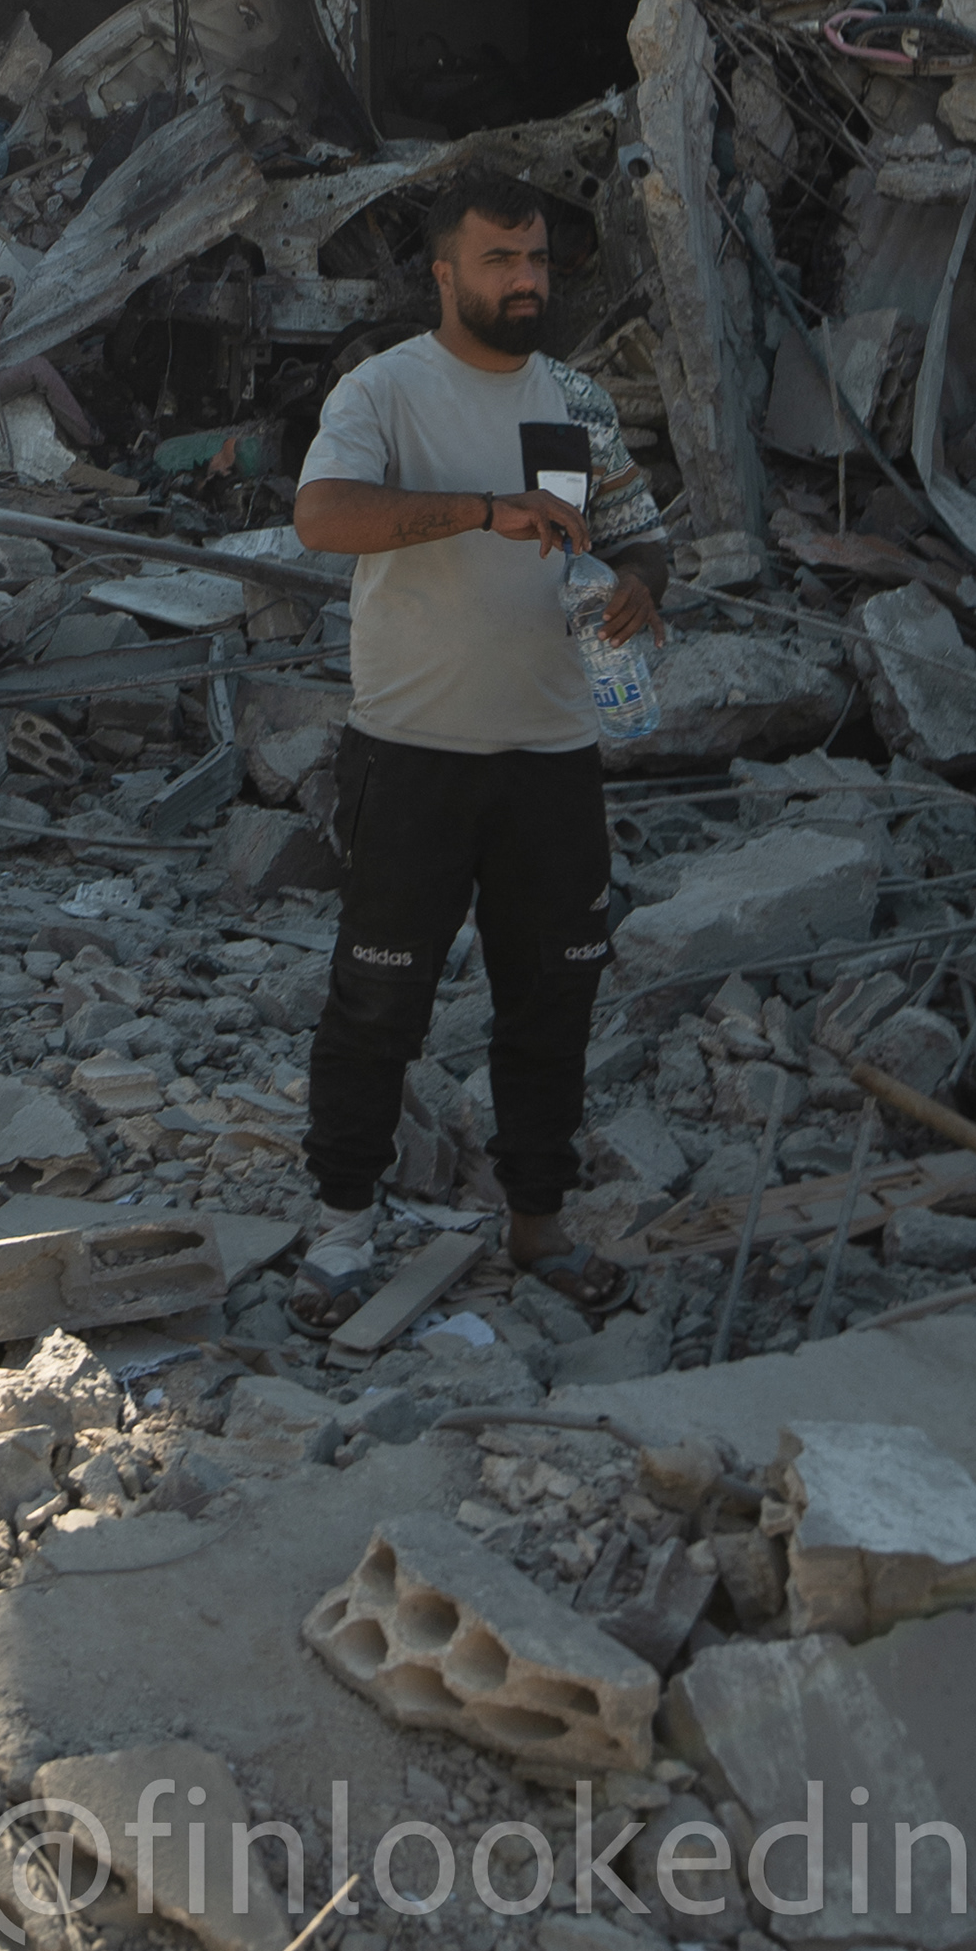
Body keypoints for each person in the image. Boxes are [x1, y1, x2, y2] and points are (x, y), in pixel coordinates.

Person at [289, 147, 672, 1325]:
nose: (525, 280)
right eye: (499, 258)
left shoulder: (580, 399)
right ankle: (343, 1234)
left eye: (539, 260)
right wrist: (481, 511)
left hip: (555, 760)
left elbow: (638, 532)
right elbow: (321, 518)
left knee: (553, 1000)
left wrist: (644, 586)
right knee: (378, 1003)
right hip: (413, 755)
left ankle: (541, 1228)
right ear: (446, 271)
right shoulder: (383, 393)